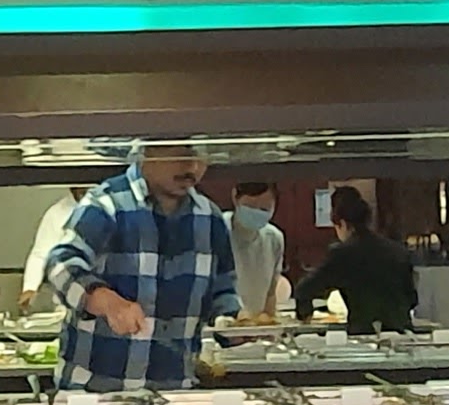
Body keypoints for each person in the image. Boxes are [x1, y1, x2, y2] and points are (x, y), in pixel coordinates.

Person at [40, 141, 238, 388]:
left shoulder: (210, 218)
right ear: (146, 151)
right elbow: (60, 265)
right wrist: (106, 301)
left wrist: (234, 324)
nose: (193, 167)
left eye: (202, 156)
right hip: (95, 393)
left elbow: (223, 289)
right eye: (183, 153)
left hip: (174, 392)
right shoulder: (107, 204)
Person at [304, 186, 424, 336]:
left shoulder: (342, 254)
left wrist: (305, 315)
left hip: (364, 333)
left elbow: (305, 289)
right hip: (400, 333)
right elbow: (412, 298)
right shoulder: (398, 250)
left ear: (342, 224)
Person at [225, 180, 290, 323]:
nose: (257, 212)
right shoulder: (218, 229)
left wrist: (269, 325)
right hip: (222, 323)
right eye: (251, 206)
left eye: (265, 208)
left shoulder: (274, 238)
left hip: (255, 325)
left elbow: (271, 294)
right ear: (235, 197)